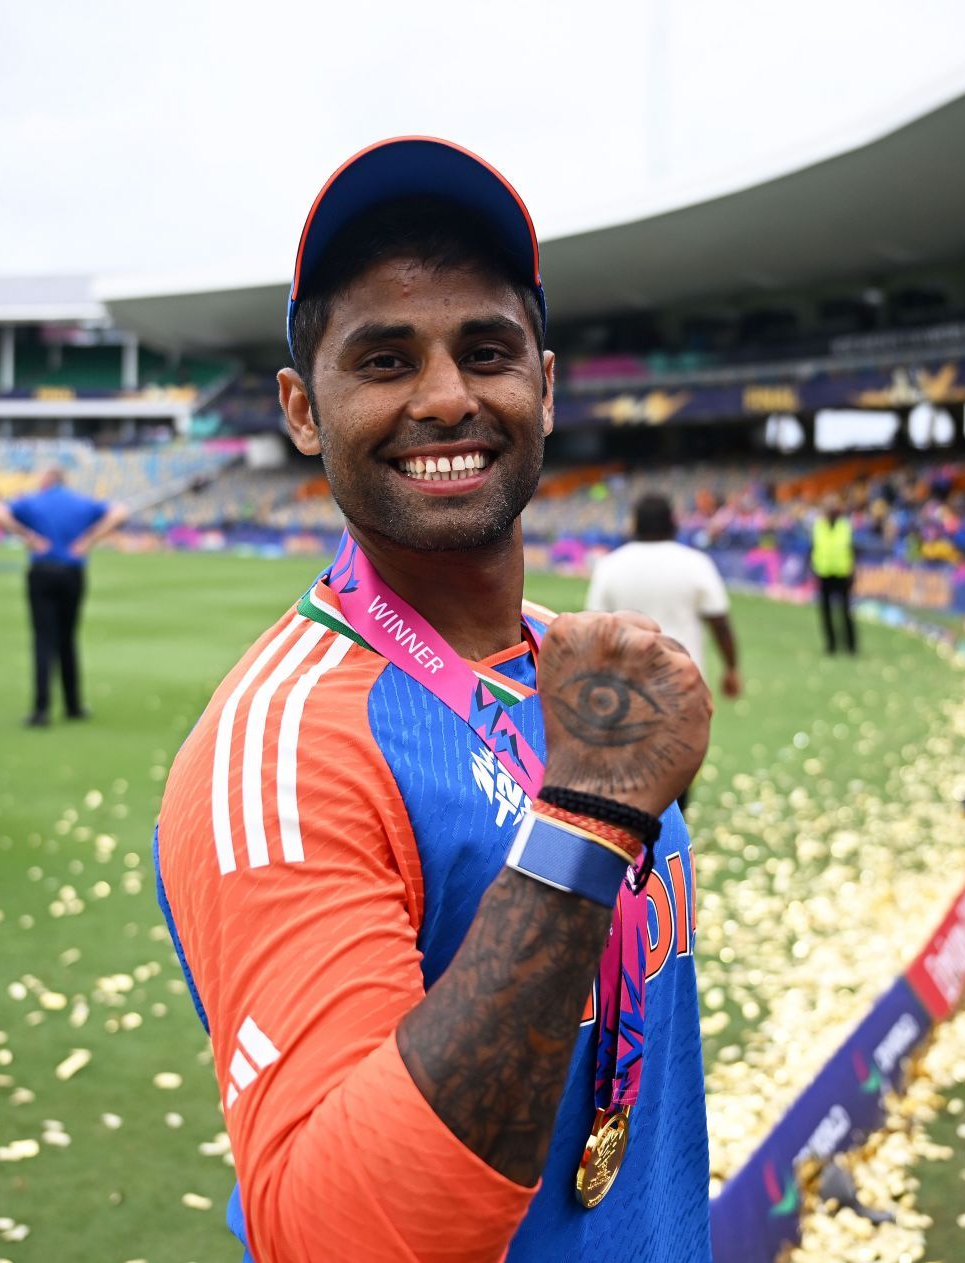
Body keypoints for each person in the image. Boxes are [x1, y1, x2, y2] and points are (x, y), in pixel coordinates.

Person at [153, 137, 714, 1263]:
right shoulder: (284, 745)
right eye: (385, 359)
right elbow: (340, 1236)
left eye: (488, 350)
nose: (448, 396)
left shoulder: (575, 673)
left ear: (545, 390)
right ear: (304, 410)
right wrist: (589, 820)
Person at [0, 469, 125, 726]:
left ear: (46, 481)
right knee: (68, 639)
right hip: (72, 572)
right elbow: (119, 511)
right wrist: (89, 540)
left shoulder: (32, 501)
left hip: (42, 572)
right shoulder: (82, 502)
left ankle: (41, 710)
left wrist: (27, 536)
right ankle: (73, 705)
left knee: (43, 640)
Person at [586, 493, 741, 700]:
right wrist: (731, 669)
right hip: (684, 682)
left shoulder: (609, 566)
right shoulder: (696, 563)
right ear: (672, 523)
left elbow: (595, 629)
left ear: (635, 524)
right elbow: (720, 624)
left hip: (626, 687)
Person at [811, 495, 857, 654]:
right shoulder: (819, 525)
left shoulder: (844, 525)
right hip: (824, 573)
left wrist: (851, 570)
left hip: (842, 573)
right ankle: (831, 645)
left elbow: (850, 548)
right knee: (826, 613)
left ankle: (851, 646)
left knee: (845, 612)